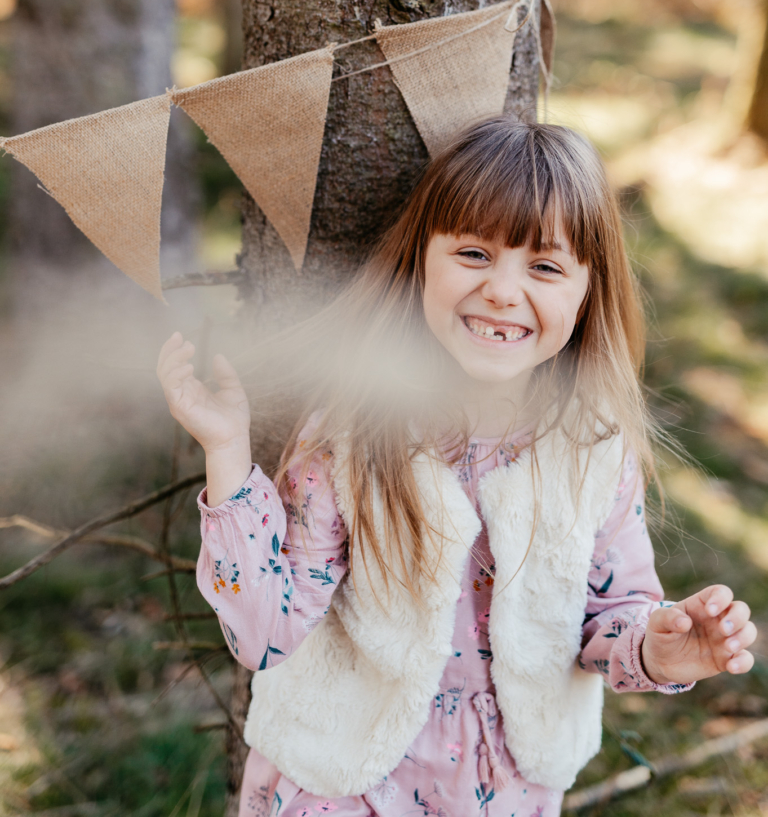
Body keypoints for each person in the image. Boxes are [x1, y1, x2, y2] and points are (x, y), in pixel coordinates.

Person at [157, 119, 757, 817]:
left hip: (503, 789)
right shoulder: (353, 441)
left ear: (588, 293)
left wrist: (660, 651)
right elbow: (265, 633)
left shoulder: (593, 450)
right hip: (345, 783)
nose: (503, 290)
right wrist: (227, 456)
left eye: (544, 266)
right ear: (420, 261)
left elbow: (606, 617)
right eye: (474, 253)